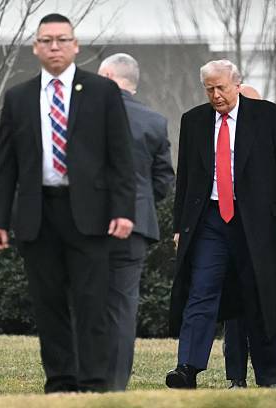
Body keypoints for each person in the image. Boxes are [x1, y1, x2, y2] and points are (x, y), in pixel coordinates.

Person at [0, 13, 135, 393]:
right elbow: (5, 166)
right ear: (36, 47)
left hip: (89, 214)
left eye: (62, 39)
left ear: (75, 46)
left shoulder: (102, 92)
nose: (55, 46)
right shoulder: (18, 97)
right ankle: (61, 381)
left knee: (92, 303)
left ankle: (94, 381)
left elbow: (120, 157)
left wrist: (123, 210)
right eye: (47, 40)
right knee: (48, 304)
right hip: (38, 213)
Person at [166, 59, 276, 389]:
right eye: (209, 89)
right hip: (210, 221)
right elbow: (184, 179)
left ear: (237, 84)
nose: (216, 95)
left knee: (260, 294)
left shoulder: (268, 116)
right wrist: (178, 226)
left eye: (221, 88)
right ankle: (186, 368)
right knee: (201, 292)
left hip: (256, 222)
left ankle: (269, 375)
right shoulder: (194, 121)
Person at [97, 53, 175, 391]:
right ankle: (116, 383)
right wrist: (139, 205)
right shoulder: (155, 122)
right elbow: (163, 181)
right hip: (136, 224)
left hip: (90, 223)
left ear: (109, 75)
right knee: (123, 305)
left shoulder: (88, 116)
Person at [221, 83, 276, 389]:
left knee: (272, 306)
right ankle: (236, 376)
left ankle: (272, 371)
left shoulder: (271, 133)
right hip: (233, 233)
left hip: (266, 235)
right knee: (236, 313)